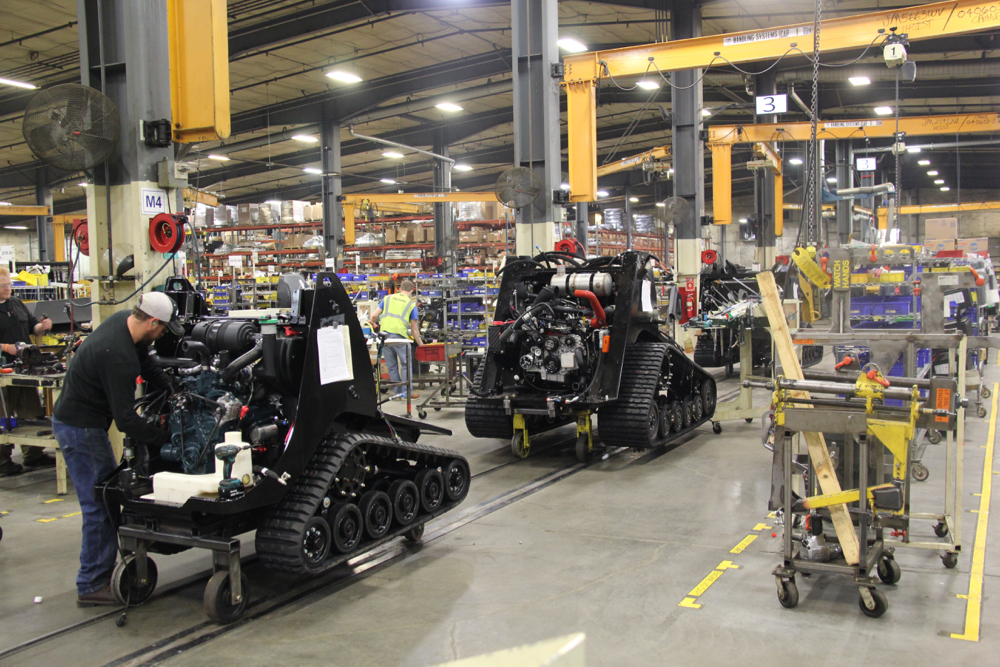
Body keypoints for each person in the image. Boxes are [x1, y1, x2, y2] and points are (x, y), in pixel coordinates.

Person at [52, 291, 181, 607]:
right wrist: (166, 438)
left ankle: (100, 573)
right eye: (163, 328)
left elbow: (145, 360)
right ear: (152, 322)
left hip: (79, 422)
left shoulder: (121, 323)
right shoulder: (118, 356)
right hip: (81, 429)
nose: (163, 334)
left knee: (104, 498)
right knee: (101, 502)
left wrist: (170, 387)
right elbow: (126, 421)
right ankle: (92, 584)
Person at [0, 266, 54, 476]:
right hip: (3, 369)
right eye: (4, 286)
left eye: (9, 285)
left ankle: (34, 455)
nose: (8, 289)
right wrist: (6, 347)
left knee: (30, 411)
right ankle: (2, 460)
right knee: (3, 413)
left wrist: (43, 327)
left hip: (25, 367)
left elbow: (33, 326)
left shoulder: (15, 303)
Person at [369, 280, 423, 399]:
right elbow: (414, 329)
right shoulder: (411, 305)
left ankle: (397, 393)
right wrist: (421, 345)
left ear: (399, 289)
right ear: (411, 291)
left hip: (385, 337)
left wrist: (374, 325)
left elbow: (373, 316)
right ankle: (406, 393)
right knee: (405, 365)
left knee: (392, 366)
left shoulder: (387, 299)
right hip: (400, 338)